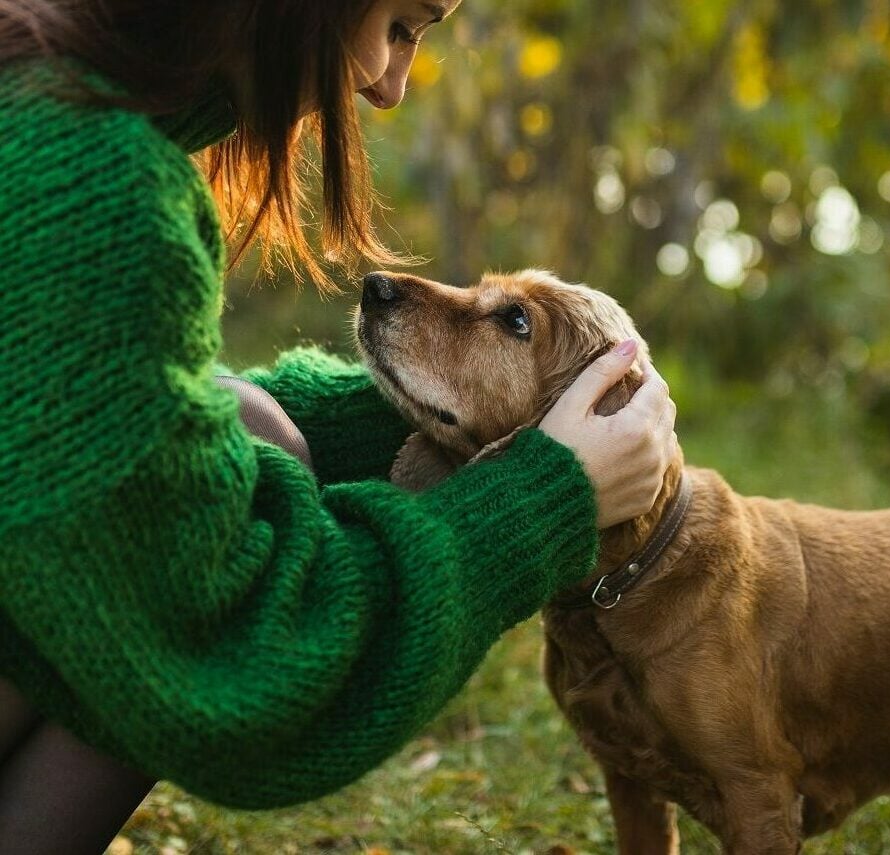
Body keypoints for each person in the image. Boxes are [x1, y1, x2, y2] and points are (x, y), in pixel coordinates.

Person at [0, 1, 678, 851]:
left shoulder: (41, 101)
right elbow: (249, 654)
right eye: (401, 24)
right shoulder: (87, 188)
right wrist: (539, 496)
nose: (390, 87)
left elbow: (121, 437)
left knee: (249, 425)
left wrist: (483, 413)